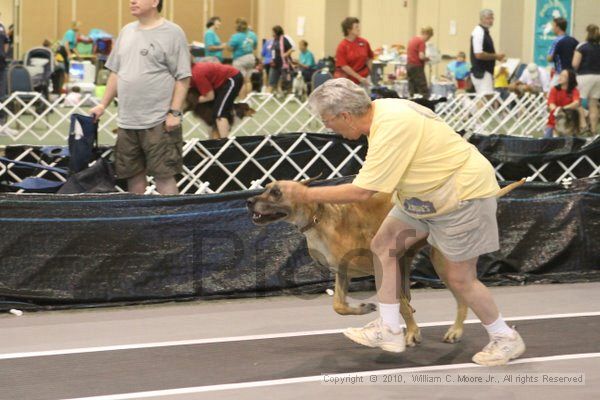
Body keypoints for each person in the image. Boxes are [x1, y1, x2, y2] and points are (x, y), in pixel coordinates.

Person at [276, 78, 526, 366]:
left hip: (462, 195)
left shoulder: (391, 127)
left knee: (460, 278)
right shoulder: (380, 112)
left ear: (345, 115)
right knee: (383, 245)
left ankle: (504, 337)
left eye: (327, 120)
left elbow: (361, 191)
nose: (327, 127)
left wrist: (306, 193)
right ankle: (390, 328)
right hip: (424, 195)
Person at [89, 0, 191, 195]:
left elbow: (183, 77)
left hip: (159, 120)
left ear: (155, 2)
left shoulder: (173, 32)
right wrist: (102, 105)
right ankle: (140, 222)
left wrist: (175, 112)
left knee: (164, 176)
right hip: (127, 121)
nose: (132, 1)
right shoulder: (126, 31)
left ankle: (173, 223)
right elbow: (115, 73)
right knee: (133, 176)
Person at [190, 62, 244, 138]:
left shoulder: (197, 74)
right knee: (214, 113)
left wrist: (192, 101)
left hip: (232, 78)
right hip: (219, 83)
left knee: (220, 113)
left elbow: (210, 96)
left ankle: (224, 142)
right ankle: (215, 139)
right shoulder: (189, 75)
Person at [572, 24, 600, 134]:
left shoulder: (582, 46)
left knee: (576, 101)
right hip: (598, 77)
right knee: (593, 104)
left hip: (584, 76)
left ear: (587, 34)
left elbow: (575, 64)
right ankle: (593, 130)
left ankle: (583, 124)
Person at [470, 9, 505, 95]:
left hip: (486, 71)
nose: (491, 21)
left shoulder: (485, 32)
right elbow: (478, 54)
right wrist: (496, 56)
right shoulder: (479, 32)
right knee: (486, 98)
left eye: (492, 18)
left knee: (486, 99)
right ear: (482, 19)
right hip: (481, 72)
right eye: (488, 18)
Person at [545, 69, 585, 137]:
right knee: (547, 139)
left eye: (564, 76)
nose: (560, 77)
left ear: (570, 79)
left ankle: (582, 129)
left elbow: (576, 103)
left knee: (579, 109)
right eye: (560, 75)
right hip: (555, 116)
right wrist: (557, 110)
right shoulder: (554, 89)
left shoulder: (574, 90)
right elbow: (551, 103)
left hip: (569, 117)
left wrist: (563, 108)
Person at [334, 17, 374, 87]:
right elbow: (344, 66)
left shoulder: (364, 42)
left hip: (364, 79)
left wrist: (369, 72)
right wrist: (359, 78)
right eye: (356, 27)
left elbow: (370, 57)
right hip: (348, 81)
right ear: (349, 30)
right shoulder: (342, 46)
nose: (359, 29)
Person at [229, 18, 258, 99]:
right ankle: (248, 99)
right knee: (248, 80)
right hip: (251, 58)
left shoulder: (236, 36)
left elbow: (230, 48)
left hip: (240, 59)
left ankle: (242, 100)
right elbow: (255, 46)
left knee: (241, 81)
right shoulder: (253, 35)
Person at [546, 17, 578, 82]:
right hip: (572, 75)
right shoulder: (573, 40)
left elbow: (549, 58)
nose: (552, 28)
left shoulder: (557, 41)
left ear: (558, 27)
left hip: (560, 74)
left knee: (551, 91)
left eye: (553, 26)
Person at [406, 26, 434, 98]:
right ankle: (425, 104)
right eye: (429, 37)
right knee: (423, 88)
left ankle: (411, 102)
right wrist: (427, 58)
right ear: (427, 34)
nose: (428, 40)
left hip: (409, 65)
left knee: (412, 87)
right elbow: (421, 56)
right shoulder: (421, 42)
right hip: (417, 66)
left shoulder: (413, 39)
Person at [268, 25, 294, 94]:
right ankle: (268, 95)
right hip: (275, 64)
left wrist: (286, 54)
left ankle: (289, 94)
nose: (272, 33)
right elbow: (273, 51)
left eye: (273, 32)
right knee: (272, 80)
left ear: (277, 32)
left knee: (287, 81)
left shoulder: (284, 39)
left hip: (284, 64)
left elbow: (291, 49)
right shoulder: (274, 40)